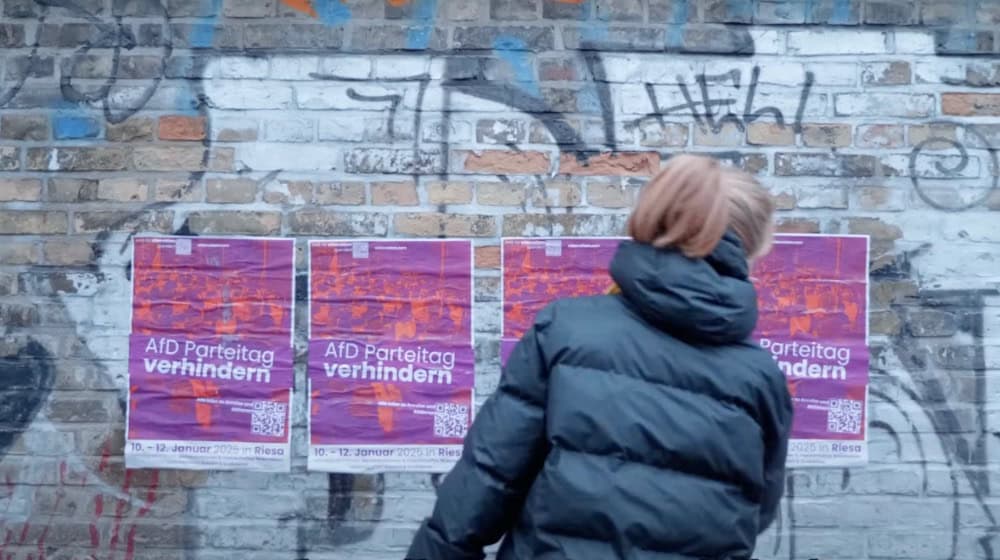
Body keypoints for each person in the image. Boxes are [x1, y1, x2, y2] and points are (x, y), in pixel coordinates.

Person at [406, 154, 794, 560]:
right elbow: (752, 512)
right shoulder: (761, 378)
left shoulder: (566, 331)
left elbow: (487, 480)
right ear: (746, 249)